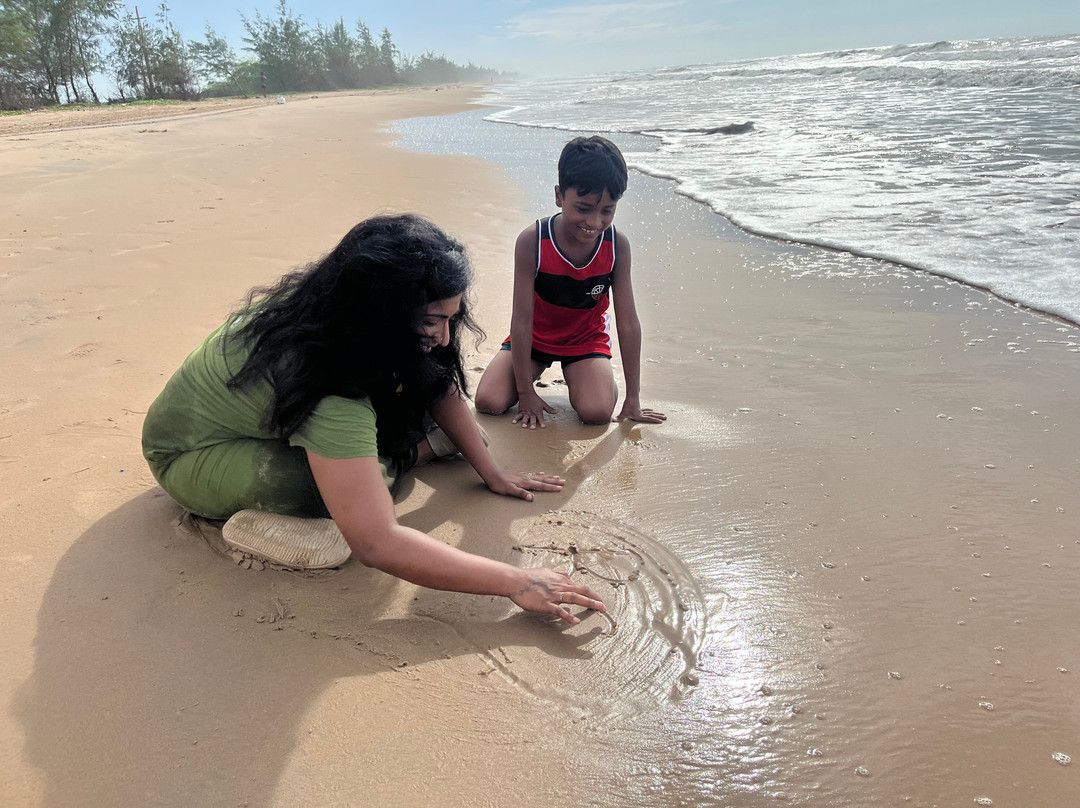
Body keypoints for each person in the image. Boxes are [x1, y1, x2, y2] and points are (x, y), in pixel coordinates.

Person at [142, 214, 604, 624]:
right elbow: (377, 543)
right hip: (190, 456)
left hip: (261, 419)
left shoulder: (331, 311)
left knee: (372, 443)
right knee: (362, 489)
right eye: (431, 322)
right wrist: (516, 582)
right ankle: (398, 459)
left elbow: (436, 378)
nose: (444, 338)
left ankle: (388, 458)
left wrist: (492, 471)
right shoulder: (327, 379)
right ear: (380, 312)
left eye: (451, 318)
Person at [474, 135, 667, 429]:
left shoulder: (616, 247)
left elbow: (628, 323)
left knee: (597, 412)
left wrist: (633, 398)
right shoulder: (533, 242)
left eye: (607, 211)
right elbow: (522, 321)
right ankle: (538, 376)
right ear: (559, 196)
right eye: (583, 208)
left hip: (584, 341)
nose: (594, 223)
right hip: (535, 339)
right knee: (488, 401)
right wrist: (526, 394)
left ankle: (592, 377)